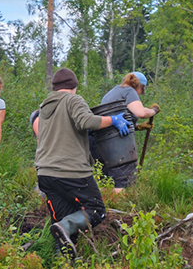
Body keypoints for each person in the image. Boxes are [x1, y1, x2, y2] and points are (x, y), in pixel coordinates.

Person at [32, 67, 133, 254]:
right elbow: (86, 121)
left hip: (45, 174)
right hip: (71, 172)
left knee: (62, 224)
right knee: (96, 210)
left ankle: (62, 268)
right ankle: (66, 227)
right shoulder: (73, 99)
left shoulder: (44, 106)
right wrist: (113, 120)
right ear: (74, 86)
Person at [89, 72, 157, 192]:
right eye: (141, 90)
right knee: (124, 184)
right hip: (119, 149)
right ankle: (123, 207)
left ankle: (107, 207)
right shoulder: (129, 91)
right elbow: (140, 113)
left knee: (107, 181)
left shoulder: (113, 92)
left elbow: (114, 122)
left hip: (101, 145)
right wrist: (153, 111)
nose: (140, 93)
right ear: (140, 87)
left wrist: (137, 127)